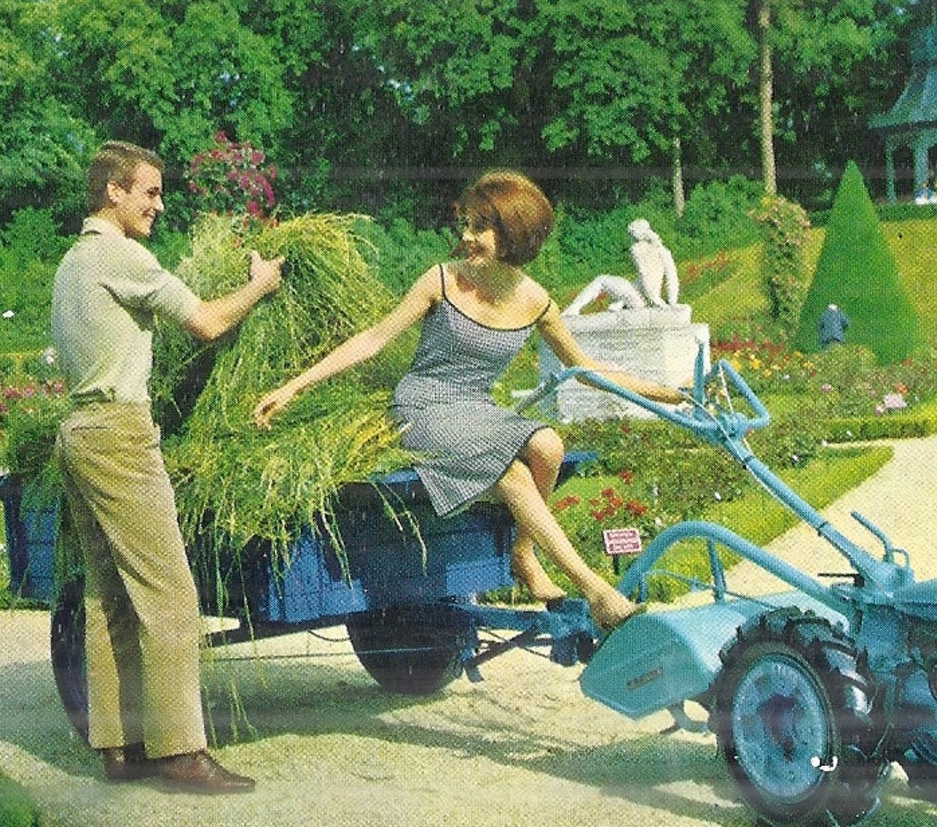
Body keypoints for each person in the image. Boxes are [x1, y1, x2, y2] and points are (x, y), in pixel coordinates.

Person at [253, 171, 683, 631]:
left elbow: (587, 369)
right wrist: (294, 386)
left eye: (480, 227)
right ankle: (597, 591)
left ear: (512, 234)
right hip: (421, 408)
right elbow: (374, 340)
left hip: (476, 409)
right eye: (469, 224)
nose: (467, 236)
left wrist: (669, 393)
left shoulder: (537, 302)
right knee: (515, 474)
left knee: (549, 447)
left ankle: (523, 553)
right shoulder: (442, 280)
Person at [52, 140, 283, 793]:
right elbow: (206, 323)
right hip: (120, 433)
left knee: (110, 596)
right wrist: (260, 285)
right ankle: (181, 753)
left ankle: (120, 749)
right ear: (113, 193)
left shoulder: (72, 262)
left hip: (78, 430)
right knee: (170, 595)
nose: (158, 202)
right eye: (148, 191)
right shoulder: (122, 255)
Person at [563, 217, 680, 315]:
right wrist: (672, 302)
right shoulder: (664, 251)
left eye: (631, 234)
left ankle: (574, 308)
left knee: (601, 280)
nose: (630, 237)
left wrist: (656, 302)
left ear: (636, 233)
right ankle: (619, 303)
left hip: (642, 300)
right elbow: (672, 278)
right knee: (622, 285)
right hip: (647, 297)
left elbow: (645, 276)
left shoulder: (637, 249)